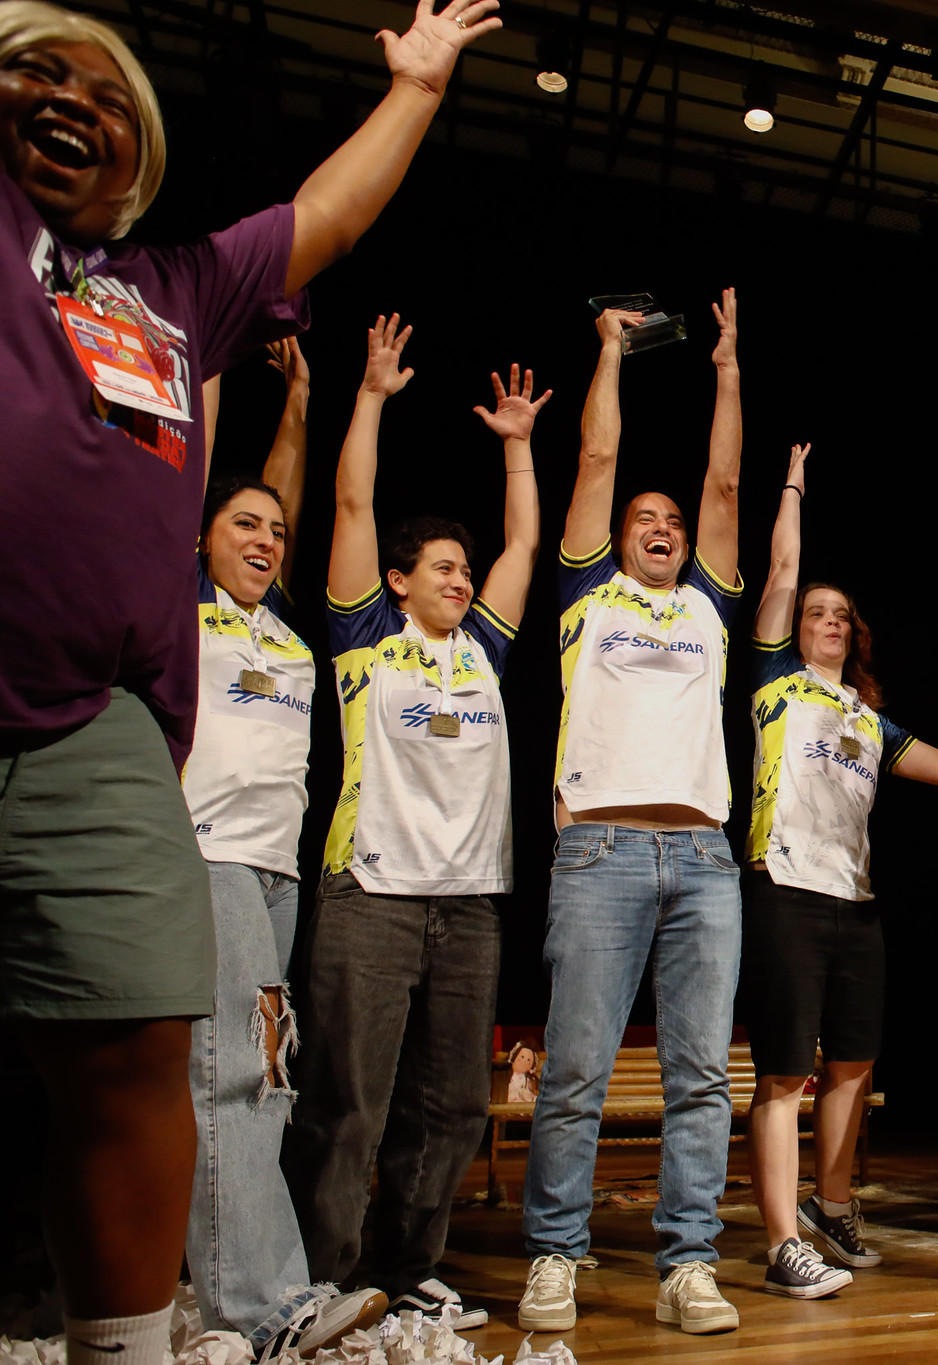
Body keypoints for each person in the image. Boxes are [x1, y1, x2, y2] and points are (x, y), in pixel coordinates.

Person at [0, 4, 498, 1362]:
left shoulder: (166, 289)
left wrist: (414, 89)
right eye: (34, 70)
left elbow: (325, 213)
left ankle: (132, 1343)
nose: (68, 99)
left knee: (139, 1052)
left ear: (140, 155)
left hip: (95, 729)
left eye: (104, 91)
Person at [281, 315, 542, 1328]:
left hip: (469, 902)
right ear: (397, 580)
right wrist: (374, 396)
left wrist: (517, 444)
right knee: (351, 1101)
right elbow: (351, 498)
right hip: (372, 895)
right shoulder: (361, 640)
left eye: (462, 572)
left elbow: (524, 540)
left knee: (455, 1106)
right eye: (441, 568)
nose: (460, 579)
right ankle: (328, 1278)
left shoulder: (481, 649)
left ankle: (408, 1267)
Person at [516, 295, 749, 1337]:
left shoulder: (707, 606)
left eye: (671, 524)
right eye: (642, 524)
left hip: (703, 856)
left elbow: (722, 482)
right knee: (577, 1072)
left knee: (701, 1077)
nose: (661, 528)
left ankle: (687, 1265)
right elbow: (596, 461)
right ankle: (556, 1255)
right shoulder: (585, 603)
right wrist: (607, 351)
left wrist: (728, 367)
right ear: (615, 544)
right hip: (601, 849)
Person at [739, 443, 938, 1299]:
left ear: (855, 634)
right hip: (784, 885)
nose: (826, 621)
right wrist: (792, 486)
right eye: (815, 611)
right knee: (786, 1071)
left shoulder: (868, 715)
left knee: (854, 1062)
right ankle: (783, 1240)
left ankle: (834, 1205)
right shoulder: (773, 678)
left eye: (839, 615)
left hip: (855, 900)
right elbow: (782, 564)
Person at [183, 342, 387, 1357]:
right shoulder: (186, 612)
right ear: (200, 538)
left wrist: (305, 395)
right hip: (204, 856)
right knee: (236, 1078)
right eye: (241, 525)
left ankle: (245, 1290)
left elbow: (285, 497)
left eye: (274, 529)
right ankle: (256, 1306)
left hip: (273, 874)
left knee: (259, 1076)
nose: (264, 540)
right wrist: (211, 350)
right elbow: (194, 472)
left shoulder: (286, 635)